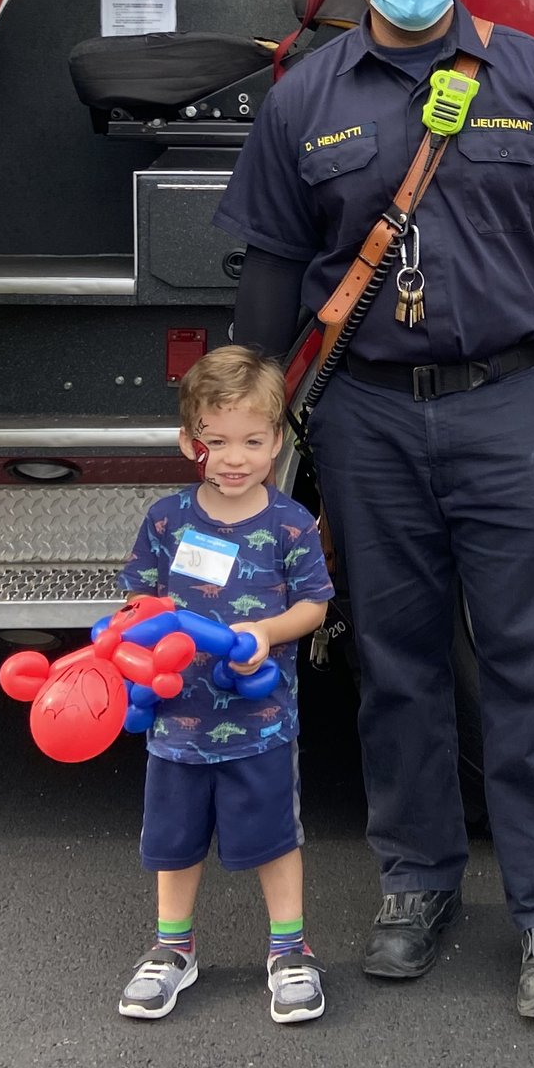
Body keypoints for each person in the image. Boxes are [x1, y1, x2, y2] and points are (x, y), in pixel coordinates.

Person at [215, 0, 534, 1022]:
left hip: (508, 407)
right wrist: (247, 428)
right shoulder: (304, 97)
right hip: (365, 416)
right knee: (393, 666)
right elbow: (268, 269)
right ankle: (416, 884)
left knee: (523, 666)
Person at [113, 346, 334, 1026]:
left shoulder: (290, 523)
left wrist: (267, 632)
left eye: (254, 440)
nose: (235, 456)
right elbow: (136, 603)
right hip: (175, 724)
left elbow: (315, 606)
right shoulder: (166, 519)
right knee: (172, 841)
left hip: (262, 720)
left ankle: (290, 951)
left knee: (273, 836)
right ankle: (173, 949)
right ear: (190, 442)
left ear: (276, 442)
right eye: (217, 440)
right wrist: (131, 640)